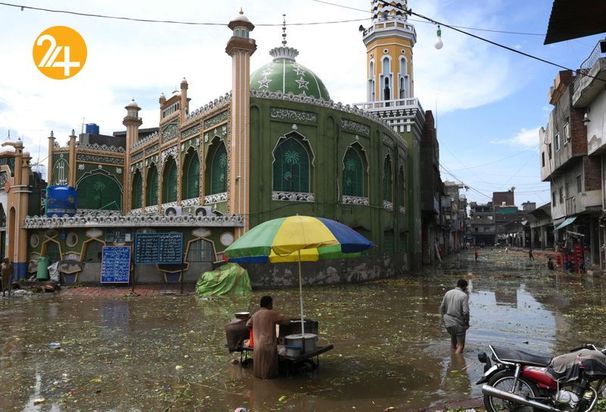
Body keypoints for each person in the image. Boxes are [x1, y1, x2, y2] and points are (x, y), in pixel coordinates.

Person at [246, 295, 290, 379]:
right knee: (269, 372)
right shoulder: (272, 313)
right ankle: (270, 386)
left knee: (259, 371)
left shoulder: (255, 315)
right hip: (268, 345)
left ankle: (261, 387)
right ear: (269, 304)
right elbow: (287, 321)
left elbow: (248, 324)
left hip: (257, 345)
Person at [440, 279, 470, 354]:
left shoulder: (448, 293)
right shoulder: (464, 296)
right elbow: (466, 312)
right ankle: (458, 363)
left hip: (448, 322)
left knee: (453, 344)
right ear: (465, 287)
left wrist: (443, 318)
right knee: (460, 346)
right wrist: (467, 323)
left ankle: (452, 361)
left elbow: (442, 307)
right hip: (458, 323)